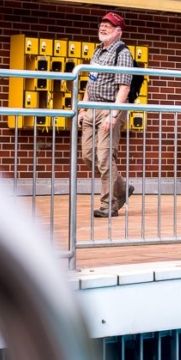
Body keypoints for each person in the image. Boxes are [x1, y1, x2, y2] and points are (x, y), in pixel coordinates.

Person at [79, 11, 136, 218]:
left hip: (110, 108)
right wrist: (83, 108)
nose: (102, 28)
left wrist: (113, 115)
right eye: (102, 25)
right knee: (88, 156)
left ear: (118, 31)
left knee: (104, 158)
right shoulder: (97, 50)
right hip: (92, 108)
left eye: (108, 26)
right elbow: (90, 82)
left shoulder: (122, 53)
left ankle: (108, 204)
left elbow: (124, 87)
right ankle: (122, 188)